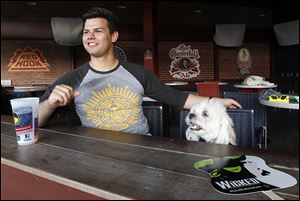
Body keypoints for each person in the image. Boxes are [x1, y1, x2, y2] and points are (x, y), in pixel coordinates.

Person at [39, 7, 241, 135]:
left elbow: (177, 97)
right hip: (95, 150)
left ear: (114, 36)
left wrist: (217, 102)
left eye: (98, 31)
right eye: (85, 32)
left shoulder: (138, 73)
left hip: (141, 146)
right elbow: (31, 121)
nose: (90, 36)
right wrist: (50, 103)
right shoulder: (73, 78)